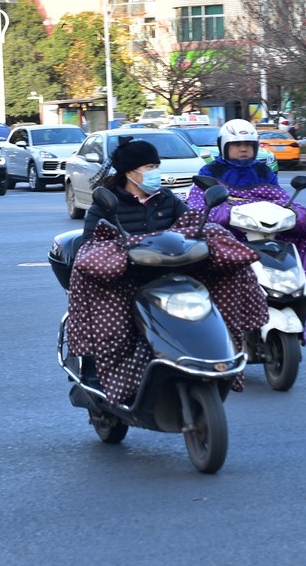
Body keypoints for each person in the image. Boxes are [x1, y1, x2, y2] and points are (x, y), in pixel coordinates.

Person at [66, 137, 266, 404]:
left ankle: (220, 351)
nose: (155, 172)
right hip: (127, 281)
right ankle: (103, 380)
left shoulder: (167, 199)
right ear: (130, 172)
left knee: (226, 268)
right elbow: (91, 244)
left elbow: (192, 227)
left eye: (156, 165)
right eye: (150, 166)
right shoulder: (107, 203)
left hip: (172, 276)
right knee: (114, 325)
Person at [187, 119, 306, 340]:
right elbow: (199, 205)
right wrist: (225, 214)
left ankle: (300, 305)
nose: (243, 149)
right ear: (224, 146)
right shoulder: (210, 171)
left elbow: (280, 199)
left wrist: (297, 216)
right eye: (237, 145)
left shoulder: (263, 171)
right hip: (233, 234)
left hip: (266, 230)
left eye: (248, 145)